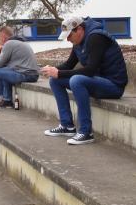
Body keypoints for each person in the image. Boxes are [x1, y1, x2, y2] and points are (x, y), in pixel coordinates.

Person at [40, 16, 128, 145]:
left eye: (69, 35)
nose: (68, 39)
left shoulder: (96, 37)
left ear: (79, 29)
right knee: (55, 80)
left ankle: (86, 132)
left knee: (77, 80)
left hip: (113, 86)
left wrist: (59, 73)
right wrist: (52, 70)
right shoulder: (78, 42)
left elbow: (90, 70)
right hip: (96, 82)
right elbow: (69, 64)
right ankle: (67, 126)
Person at [0, 26, 39, 111]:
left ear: (3, 36)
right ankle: (7, 101)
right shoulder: (20, 42)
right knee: (4, 71)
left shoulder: (9, 43)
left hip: (25, 74)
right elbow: (4, 66)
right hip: (32, 74)